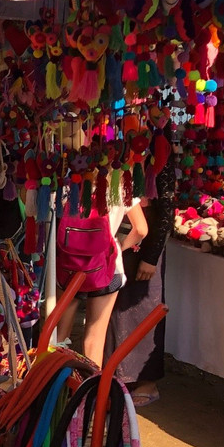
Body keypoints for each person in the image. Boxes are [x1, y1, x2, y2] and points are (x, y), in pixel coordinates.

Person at [108, 160, 175, 406]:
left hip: (146, 245)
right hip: (122, 237)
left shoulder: (160, 160)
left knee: (144, 310)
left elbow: (167, 210)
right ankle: (119, 376)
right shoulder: (123, 156)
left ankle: (148, 382)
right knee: (117, 311)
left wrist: (151, 257)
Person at [54, 199, 148, 365]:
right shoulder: (122, 185)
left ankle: (53, 383)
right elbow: (141, 229)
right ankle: (92, 386)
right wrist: (119, 247)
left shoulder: (70, 182)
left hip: (69, 266)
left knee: (58, 336)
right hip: (108, 267)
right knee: (94, 338)